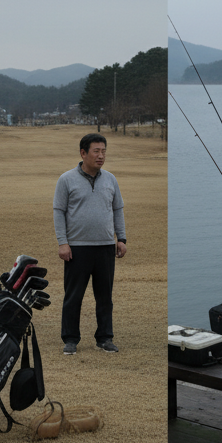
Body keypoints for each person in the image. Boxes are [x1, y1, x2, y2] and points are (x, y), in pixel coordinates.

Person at [53, 133, 126, 356]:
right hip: (77, 248)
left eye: (103, 151)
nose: (101, 155)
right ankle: (71, 339)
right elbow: (59, 211)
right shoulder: (66, 179)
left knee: (105, 296)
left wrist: (121, 238)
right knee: (73, 296)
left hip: (105, 246)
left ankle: (105, 338)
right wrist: (63, 243)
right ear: (83, 153)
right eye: (96, 151)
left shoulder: (111, 179)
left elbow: (117, 209)